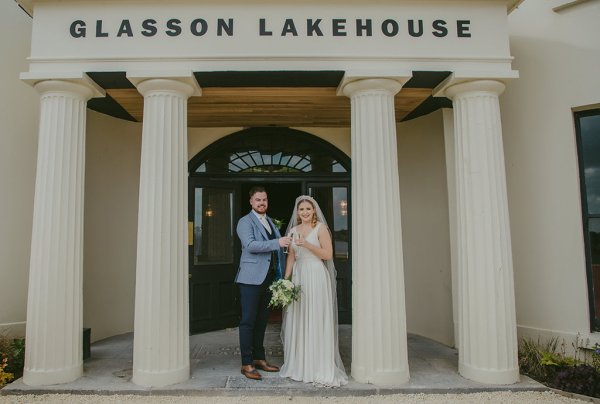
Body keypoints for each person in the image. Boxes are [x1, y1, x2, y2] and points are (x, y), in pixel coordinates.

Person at [279, 195, 348, 387]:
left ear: (314, 211)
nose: (305, 212)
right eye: (301, 209)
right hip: (300, 275)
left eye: (308, 209)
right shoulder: (293, 230)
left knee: (315, 317)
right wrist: (286, 281)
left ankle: (317, 365)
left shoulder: (321, 229)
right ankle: (299, 365)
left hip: (316, 275)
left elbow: (327, 254)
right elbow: (291, 257)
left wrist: (307, 244)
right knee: (300, 317)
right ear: (297, 212)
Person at [235, 186, 291, 380]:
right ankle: (247, 363)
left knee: (261, 322)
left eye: (264, 200)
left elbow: (277, 251)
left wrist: (282, 275)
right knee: (248, 321)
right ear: (251, 201)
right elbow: (250, 245)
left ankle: (259, 358)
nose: (261, 203)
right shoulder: (245, 221)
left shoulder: (270, 222)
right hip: (250, 279)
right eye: (258, 200)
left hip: (268, 279)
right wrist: (278, 242)